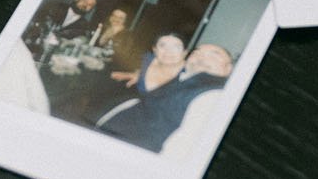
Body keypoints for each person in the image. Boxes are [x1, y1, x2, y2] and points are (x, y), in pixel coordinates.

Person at [96, 43, 235, 151]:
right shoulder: (183, 77)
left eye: (214, 55)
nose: (201, 57)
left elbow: (184, 143)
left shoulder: (213, 94)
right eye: (197, 52)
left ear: (229, 69)